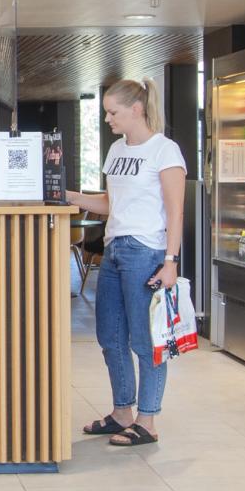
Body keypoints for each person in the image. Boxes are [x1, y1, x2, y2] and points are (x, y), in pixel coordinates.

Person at [65, 78, 186, 448]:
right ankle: (122, 413)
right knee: (110, 336)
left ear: (136, 109)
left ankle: (147, 420)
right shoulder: (116, 150)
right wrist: (69, 196)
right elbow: (110, 203)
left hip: (146, 252)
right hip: (115, 249)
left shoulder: (164, 150)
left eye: (112, 112)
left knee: (144, 340)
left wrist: (171, 261)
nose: (107, 119)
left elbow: (176, 211)